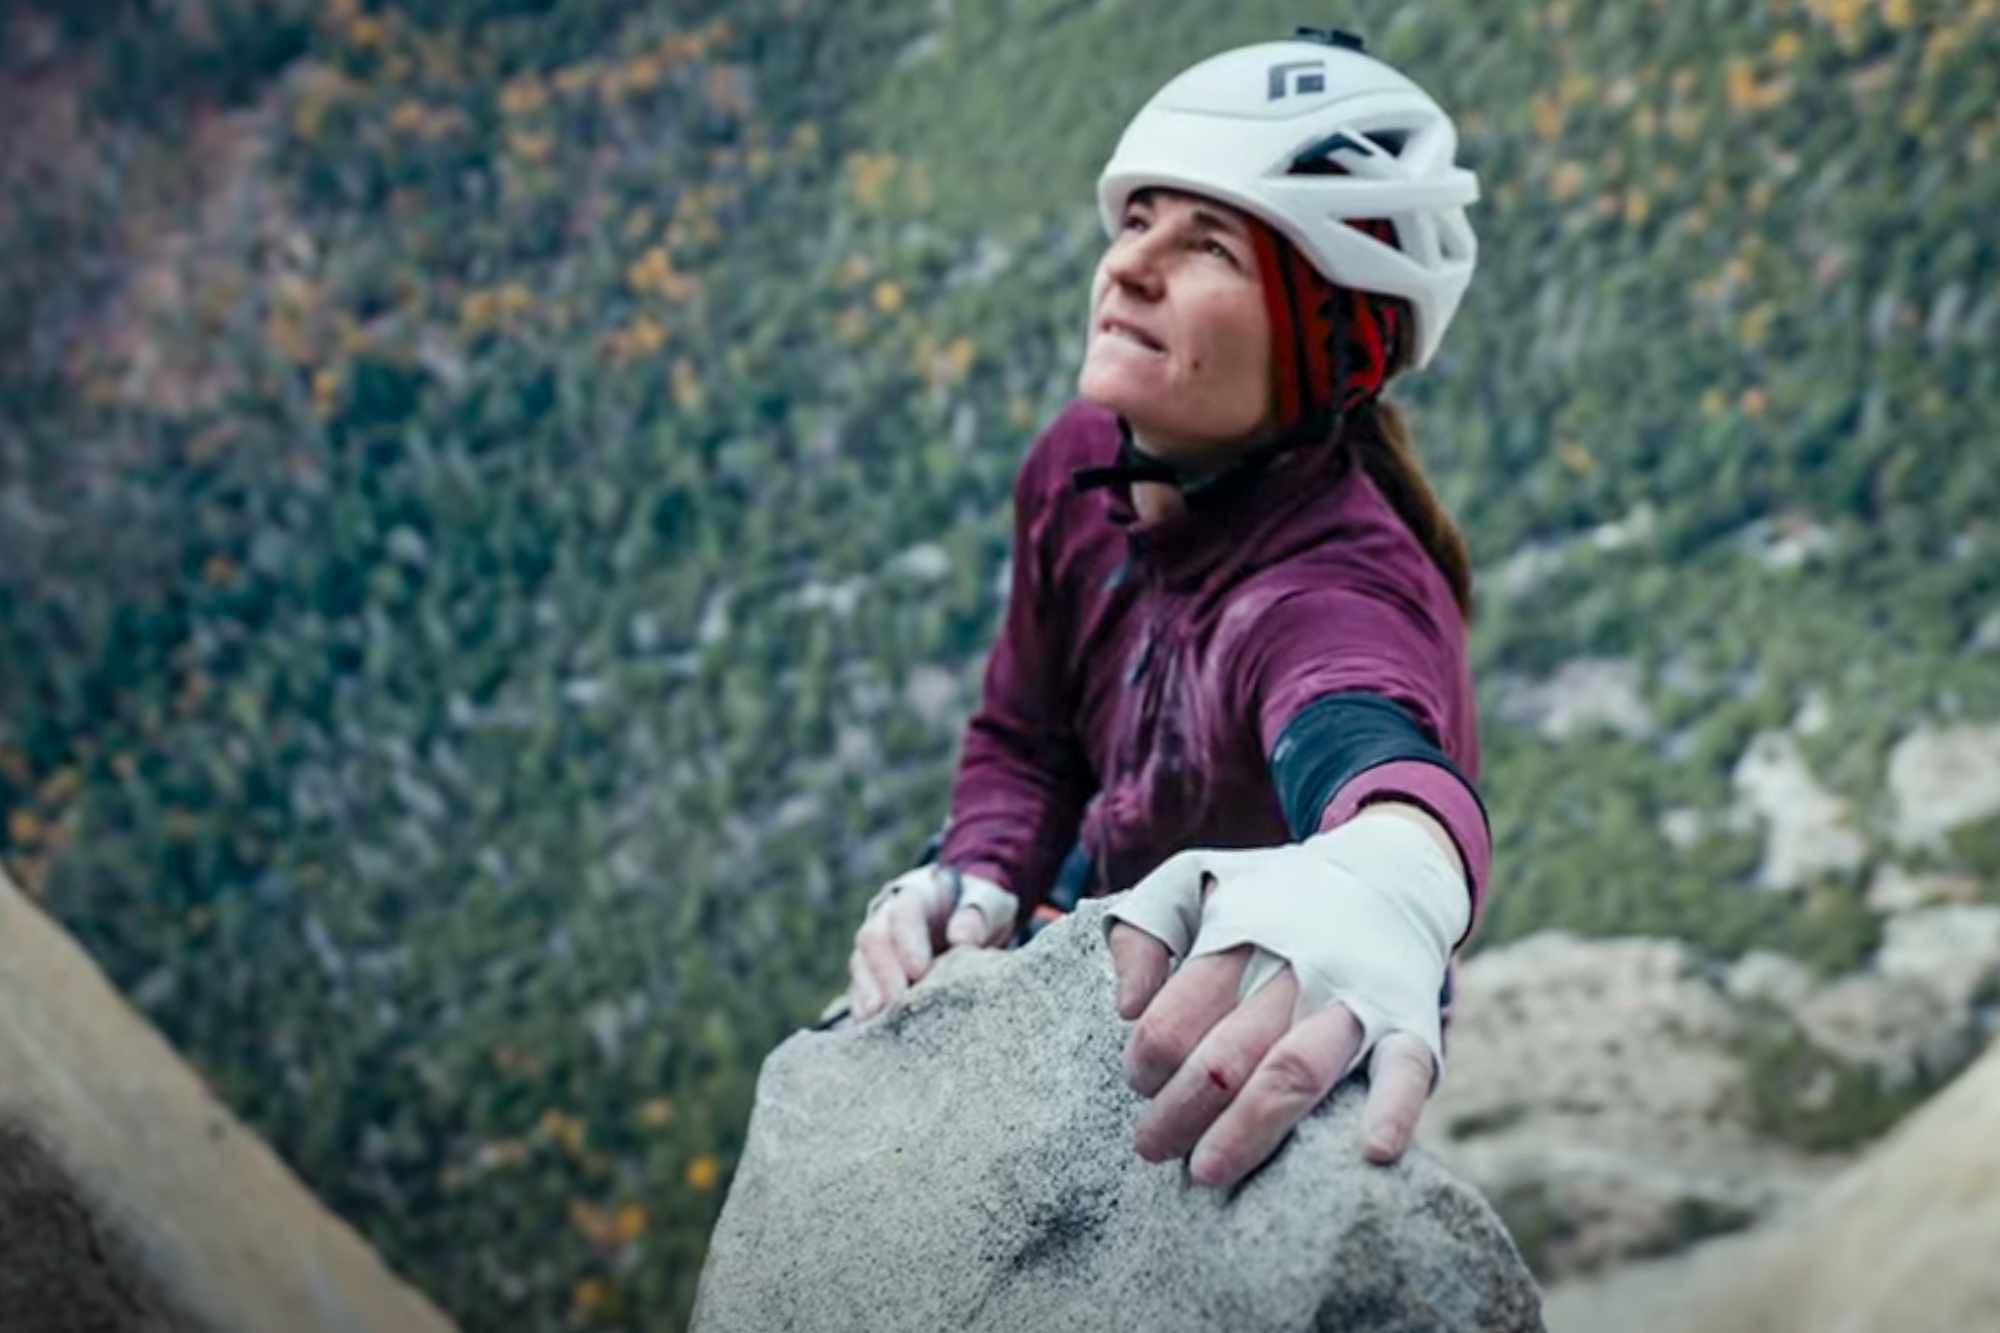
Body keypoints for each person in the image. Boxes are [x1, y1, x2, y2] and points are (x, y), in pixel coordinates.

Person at [844, 29, 1488, 1192]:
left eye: (1209, 248)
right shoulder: (1077, 465)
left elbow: (1374, 752)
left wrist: (1393, 874)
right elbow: (1025, 737)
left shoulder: (1331, 586)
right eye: (1136, 220)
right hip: (1085, 990)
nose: (1129, 265)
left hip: (1235, 1062)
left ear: (1336, 346)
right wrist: (975, 878)